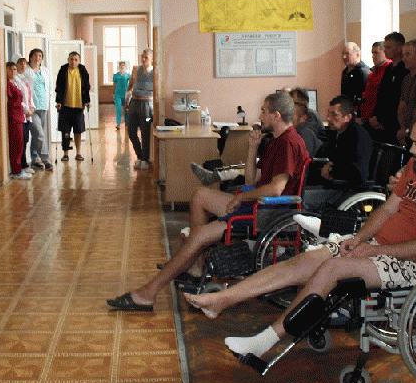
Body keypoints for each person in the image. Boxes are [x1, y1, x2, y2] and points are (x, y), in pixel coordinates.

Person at [183, 114, 416, 361]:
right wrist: (360, 238)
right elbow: (388, 209)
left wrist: (372, 251)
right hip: (379, 246)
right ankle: (221, 300)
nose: (412, 151)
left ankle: (263, 342)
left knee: (331, 269)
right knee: (304, 261)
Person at [108, 92, 309, 311]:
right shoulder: (277, 141)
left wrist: (241, 197)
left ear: (276, 115)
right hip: (258, 204)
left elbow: (276, 190)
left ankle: (148, 293)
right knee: (199, 195)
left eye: (264, 111)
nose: (260, 115)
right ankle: (195, 265)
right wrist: (252, 148)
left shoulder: (288, 143)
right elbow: (251, 180)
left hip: (266, 212)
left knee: (198, 237)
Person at [303, 95, 373, 211]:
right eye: (328, 113)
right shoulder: (336, 134)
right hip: (331, 185)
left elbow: (359, 173)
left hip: (347, 189)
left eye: (334, 115)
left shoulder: (359, 137)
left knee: (302, 198)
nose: (328, 118)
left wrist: (332, 169)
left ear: (347, 117)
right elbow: (321, 156)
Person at [369, 32, 408, 144]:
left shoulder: (405, 69)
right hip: (381, 123)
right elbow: (381, 95)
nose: (385, 50)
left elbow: (398, 97)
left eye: (388, 47)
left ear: (400, 47)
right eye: (385, 47)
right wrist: (376, 115)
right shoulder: (388, 68)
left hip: (395, 123)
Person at [54, 51, 91, 162]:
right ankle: (65, 154)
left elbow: (86, 87)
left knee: (78, 131)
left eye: (76, 60)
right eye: (71, 59)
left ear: (79, 61)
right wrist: (58, 101)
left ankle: (78, 153)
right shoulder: (63, 70)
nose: (73, 62)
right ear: (68, 59)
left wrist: (87, 101)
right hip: (65, 106)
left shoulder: (82, 70)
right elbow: (59, 87)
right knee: (65, 132)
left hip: (78, 106)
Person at [126, 49, 155, 169]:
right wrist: (127, 99)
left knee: (145, 132)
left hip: (147, 106)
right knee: (131, 131)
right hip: (134, 104)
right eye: (142, 57)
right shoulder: (136, 70)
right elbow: (130, 85)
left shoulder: (155, 72)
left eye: (146, 57)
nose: (143, 59)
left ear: (152, 59)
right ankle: (140, 156)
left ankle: (145, 159)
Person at [396, 39, 416, 145]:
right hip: (405, 130)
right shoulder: (406, 78)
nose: (404, 58)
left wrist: (411, 129)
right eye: (403, 55)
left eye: (408, 54)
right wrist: (403, 128)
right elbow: (402, 104)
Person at [27, 48, 53, 171]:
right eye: (35, 55)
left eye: (40, 56)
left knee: (36, 135)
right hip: (32, 107)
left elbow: (49, 87)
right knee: (40, 134)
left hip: (43, 106)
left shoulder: (45, 71)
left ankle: (35, 159)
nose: (37, 58)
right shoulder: (27, 71)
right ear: (30, 57)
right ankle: (45, 159)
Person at [6, 61, 32, 179]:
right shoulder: (8, 84)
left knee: (21, 142)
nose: (13, 71)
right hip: (13, 116)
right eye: (10, 69)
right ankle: (16, 171)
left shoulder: (15, 83)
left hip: (20, 115)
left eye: (14, 69)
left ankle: (19, 168)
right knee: (16, 144)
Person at [358, 41, 391, 124]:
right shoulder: (373, 72)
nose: (373, 56)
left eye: (376, 53)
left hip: (379, 119)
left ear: (385, 53)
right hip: (367, 118)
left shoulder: (389, 71)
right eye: (372, 53)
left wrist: (378, 117)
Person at [14, 57, 35, 177]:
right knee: (20, 141)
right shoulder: (15, 80)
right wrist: (27, 110)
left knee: (26, 139)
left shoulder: (24, 79)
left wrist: (32, 108)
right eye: (20, 63)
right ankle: (20, 166)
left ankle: (24, 164)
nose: (23, 66)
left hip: (27, 115)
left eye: (25, 64)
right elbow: (18, 99)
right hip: (21, 115)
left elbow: (29, 96)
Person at [340, 42, 369, 108]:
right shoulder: (345, 71)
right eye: (343, 54)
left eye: (347, 54)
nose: (344, 57)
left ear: (357, 55)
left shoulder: (363, 72)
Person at [113, 61, 131, 130]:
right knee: (118, 108)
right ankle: (118, 123)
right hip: (117, 94)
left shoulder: (128, 75)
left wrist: (130, 92)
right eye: (121, 65)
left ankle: (126, 122)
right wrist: (113, 93)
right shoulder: (116, 75)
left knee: (126, 109)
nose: (122, 66)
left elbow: (131, 83)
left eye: (123, 65)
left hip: (125, 94)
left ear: (125, 66)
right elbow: (114, 84)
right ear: (119, 66)